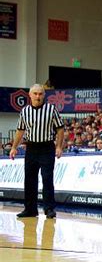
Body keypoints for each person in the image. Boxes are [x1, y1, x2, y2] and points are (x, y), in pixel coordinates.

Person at [10, 84, 64, 219]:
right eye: (35, 94)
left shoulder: (51, 109)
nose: (38, 96)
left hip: (47, 147)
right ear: (30, 95)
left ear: (44, 95)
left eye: (40, 94)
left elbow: (60, 129)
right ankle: (30, 209)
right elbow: (20, 130)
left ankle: (49, 209)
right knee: (29, 180)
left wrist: (58, 147)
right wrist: (14, 147)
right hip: (31, 148)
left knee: (47, 178)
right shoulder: (25, 111)